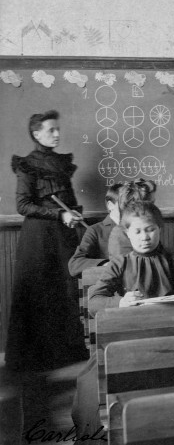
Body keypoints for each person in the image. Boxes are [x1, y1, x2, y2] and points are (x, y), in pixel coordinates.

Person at [73, 201, 174, 436]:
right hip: (128, 337)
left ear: (160, 229)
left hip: (169, 334)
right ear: (127, 233)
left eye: (150, 229)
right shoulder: (121, 263)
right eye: (137, 231)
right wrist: (121, 302)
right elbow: (95, 300)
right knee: (91, 384)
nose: (145, 237)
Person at [5, 110, 88, 371]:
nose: (57, 134)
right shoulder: (27, 164)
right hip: (39, 239)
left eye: (57, 129)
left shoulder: (62, 163)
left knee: (66, 289)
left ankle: (66, 354)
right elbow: (23, 205)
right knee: (41, 291)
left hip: (63, 237)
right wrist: (59, 213)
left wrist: (72, 213)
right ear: (36, 133)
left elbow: (68, 201)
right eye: (51, 130)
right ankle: (39, 360)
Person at [68, 182, 122, 277]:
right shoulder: (95, 230)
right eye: (125, 204)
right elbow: (75, 264)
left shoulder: (138, 227)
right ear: (110, 205)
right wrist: (106, 264)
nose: (132, 208)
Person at [108, 178, 157, 258]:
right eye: (151, 204)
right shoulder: (120, 234)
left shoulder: (146, 228)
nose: (154, 208)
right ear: (136, 206)